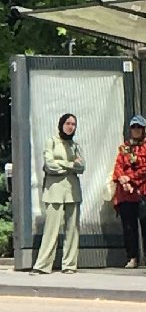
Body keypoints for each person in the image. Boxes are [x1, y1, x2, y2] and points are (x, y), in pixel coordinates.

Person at [32, 113, 86, 274]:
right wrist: (70, 164)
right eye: (68, 123)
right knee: (51, 228)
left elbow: (82, 167)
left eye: (73, 124)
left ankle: (69, 265)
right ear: (61, 124)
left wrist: (63, 165)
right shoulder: (52, 141)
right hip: (54, 190)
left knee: (72, 229)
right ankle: (43, 265)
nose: (70, 127)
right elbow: (49, 165)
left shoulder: (75, 146)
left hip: (72, 190)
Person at [111, 115, 146, 269]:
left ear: (144, 129)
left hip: (144, 190)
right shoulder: (125, 147)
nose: (136, 130)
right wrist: (122, 179)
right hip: (126, 192)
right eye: (133, 127)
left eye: (139, 127)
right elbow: (118, 166)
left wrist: (131, 178)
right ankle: (132, 257)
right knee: (129, 227)